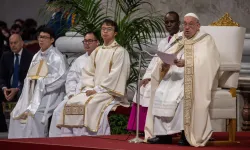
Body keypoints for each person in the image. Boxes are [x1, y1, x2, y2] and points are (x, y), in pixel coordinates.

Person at [146, 13, 220, 147]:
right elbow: (167, 55)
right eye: (185, 24)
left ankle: (186, 134)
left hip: (193, 78)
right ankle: (163, 135)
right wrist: (165, 63)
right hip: (174, 76)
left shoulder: (205, 40)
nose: (186, 27)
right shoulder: (179, 38)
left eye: (190, 24)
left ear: (198, 26)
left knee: (182, 95)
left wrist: (187, 63)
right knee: (160, 92)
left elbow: (208, 62)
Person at [57, 19, 130, 136]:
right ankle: (70, 140)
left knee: (90, 105)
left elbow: (116, 76)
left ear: (115, 33)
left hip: (109, 92)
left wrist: (97, 90)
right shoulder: (97, 51)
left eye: (109, 29)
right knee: (71, 102)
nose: (105, 32)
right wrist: (88, 88)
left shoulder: (120, 52)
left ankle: (88, 138)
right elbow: (88, 73)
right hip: (92, 90)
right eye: (103, 29)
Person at [8, 27, 68, 138]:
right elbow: (29, 76)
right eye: (40, 37)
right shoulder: (36, 56)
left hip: (50, 94)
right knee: (15, 115)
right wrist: (31, 80)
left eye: (45, 37)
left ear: (52, 40)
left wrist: (40, 82)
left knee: (34, 115)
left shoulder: (57, 57)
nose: (41, 40)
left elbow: (61, 78)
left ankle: (36, 144)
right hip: (32, 94)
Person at [127, 11, 180, 135]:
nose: (169, 24)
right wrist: (147, 76)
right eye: (166, 22)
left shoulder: (182, 40)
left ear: (178, 23)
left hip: (172, 75)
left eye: (172, 22)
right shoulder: (163, 42)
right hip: (159, 74)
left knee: (153, 89)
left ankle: (154, 128)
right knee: (144, 87)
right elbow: (154, 61)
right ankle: (140, 127)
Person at [49, 31, 100, 137]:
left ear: (97, 42)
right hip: (75, 94)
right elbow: (70, 79)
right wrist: (71, 94)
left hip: (92, 94)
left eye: (90, 41)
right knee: (58, 111)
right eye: (85, 41)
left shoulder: (102, 59)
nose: (87, 43)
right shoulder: (79, 60)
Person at [0, 34, 33, 132]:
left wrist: (17, 88)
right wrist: (4, 88)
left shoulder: (30, 56)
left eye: (15, 43)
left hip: (22, 88)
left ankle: (22, 127)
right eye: (11, 43)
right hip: (8, 88)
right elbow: (1, 76)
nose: (13, 45)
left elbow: (30, 79)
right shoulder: (6, 56)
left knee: (23, 92)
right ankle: (2, 127)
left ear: (22, 43)